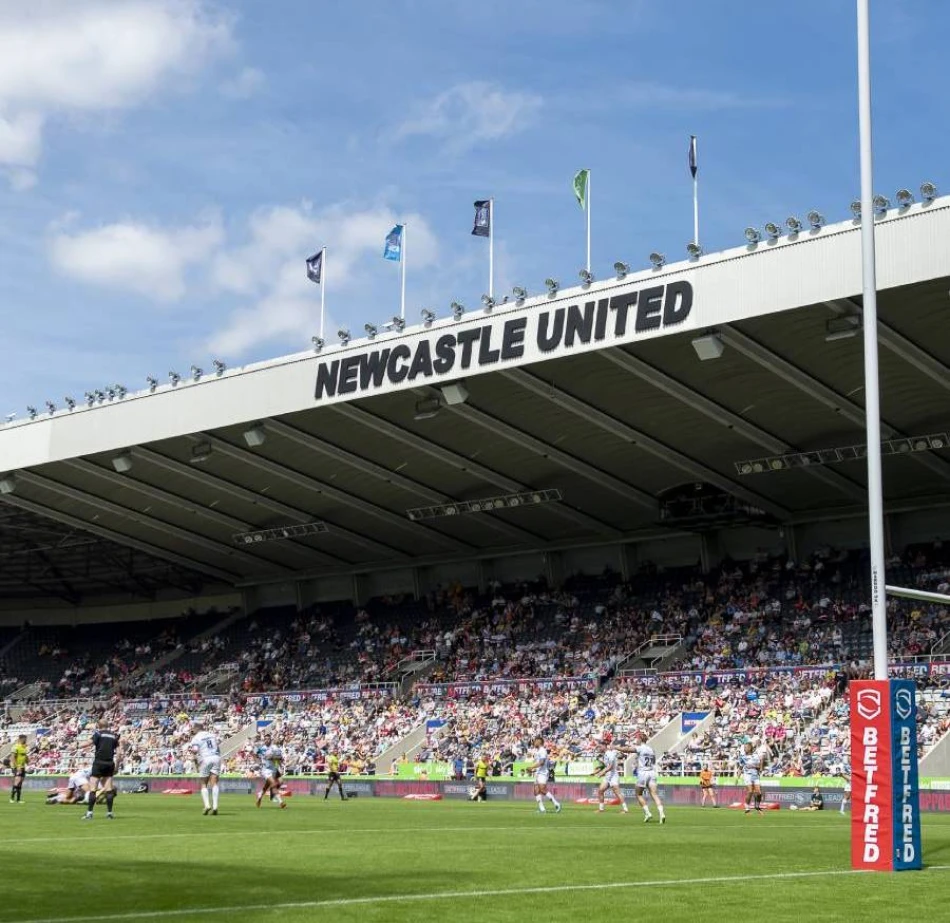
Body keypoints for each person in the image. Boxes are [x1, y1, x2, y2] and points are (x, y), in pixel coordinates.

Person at [84, 725, 120, 820]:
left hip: (98, 762)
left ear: (99, 726)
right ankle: (109, 813)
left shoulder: (98, 734)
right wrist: (117, 766)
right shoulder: (114, 736)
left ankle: (89, 813)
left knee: (93, 789)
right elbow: (119, 753)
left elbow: (88, 743)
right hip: (109, 763)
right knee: (109, 789)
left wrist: (75, 745)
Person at [189, 723, 222, 816]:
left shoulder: (196, 738)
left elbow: (195, 750)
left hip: (206, 758)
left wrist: (191, 751)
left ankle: (207, 805)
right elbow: (218, 747)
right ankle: (215, 806)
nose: (192, 730)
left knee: (204, 783)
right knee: (214, 782)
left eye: (193, 728)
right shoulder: (211, 735)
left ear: (196, 729)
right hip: (216, 757)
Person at [634, 734, 665, 824]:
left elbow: (628, 750)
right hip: (652, 772)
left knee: (638, 794)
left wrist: (616, 747)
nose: (636, 740)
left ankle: (647, 813)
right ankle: (662, 814)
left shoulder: (640, 748)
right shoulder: (651, 749)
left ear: (640, 739)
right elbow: (654, 761)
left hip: (643, 773)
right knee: (654, 794)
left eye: (637, 738)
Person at [593, 734, 628, 814]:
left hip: (613, 775)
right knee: (600, 790)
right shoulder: (605, 755)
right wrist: (598, 771)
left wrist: (602, 772)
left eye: (600, 746)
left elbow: (611, 766)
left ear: (604, 746)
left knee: (617, 792)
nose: (599, 748)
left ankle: (625, 809)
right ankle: (601, 809)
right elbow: (605, 766)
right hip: (608, 775)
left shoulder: (610, 754)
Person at [525, 736, 560, 814]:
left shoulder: (542, 751)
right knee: (536, 791)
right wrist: (533, 770)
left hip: (543, 773)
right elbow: (538, 762)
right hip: (538, 773)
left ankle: (556, 803)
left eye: (535, 741)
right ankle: (542, 809)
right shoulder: (537, 751)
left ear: (539, 742)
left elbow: (542, 762)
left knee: (542, 789)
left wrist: (531, 767)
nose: (534, 743)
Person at [256, 734, 286, 809]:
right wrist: (259, 762)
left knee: (280, 782)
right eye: (265, 739)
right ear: (264, 740)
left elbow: (280, 758)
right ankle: (280, 802)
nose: (267, 740)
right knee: (273, 784)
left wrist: (280, 764)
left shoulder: (274, 747)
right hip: (266, 770)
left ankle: (260, 795)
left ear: (270, 740)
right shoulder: (262, 748)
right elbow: (261, 756)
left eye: (268, 739)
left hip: (274, 769)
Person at [739, 742, 764, 815]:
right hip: (747, 775)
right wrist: (737, 778)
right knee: (750, 791)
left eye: (746, 747)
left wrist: (754, 767)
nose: (744, 749)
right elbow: (740, 768)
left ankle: (757, 806)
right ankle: (747, 808)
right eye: (744, 747)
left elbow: (759, 767)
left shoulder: (755, 756)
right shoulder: (742, 757)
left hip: (755, 775)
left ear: (750, 748)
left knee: (759, 793)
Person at [9, 734, 27, 804]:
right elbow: (12, 758)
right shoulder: (15, 747)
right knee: (17, 782)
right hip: (17, 767)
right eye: (25, 739)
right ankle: (11, 798)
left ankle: (18, 799)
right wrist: (17, 767)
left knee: (20, 783)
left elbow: (25, 757)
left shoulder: (24, 747)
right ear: (21, 739)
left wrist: (28, 761)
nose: (26, 740)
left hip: (22, 767)